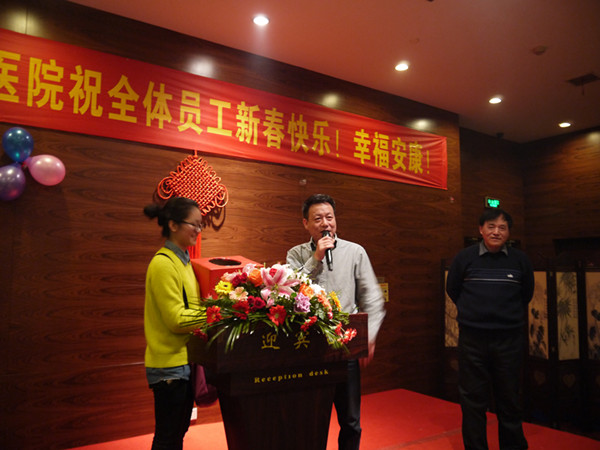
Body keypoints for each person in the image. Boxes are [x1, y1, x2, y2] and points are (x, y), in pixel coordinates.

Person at [287, 193, 386, 450]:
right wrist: (316, 258)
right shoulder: (296, 254)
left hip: (345, 346)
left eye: (329, 217)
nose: (325, 223)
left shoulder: (355, 252)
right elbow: (290, 291)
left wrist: (368, 337)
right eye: (318, 218)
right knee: (310, 419)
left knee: (351, 420)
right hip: (309, 347)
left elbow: (372, 297)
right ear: (305, 223)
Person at [446, 208, 534, 450]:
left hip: (509, 340)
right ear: (481, 230)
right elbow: (453, 289)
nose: (496, 232)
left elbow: (526, 294)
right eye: (491, 226)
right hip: (472, 339)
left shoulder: (520, 260)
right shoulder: (465, 258)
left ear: (509, 232)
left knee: (509, 398)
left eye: (502, 227)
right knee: (472, 400)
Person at [143, 196, 204, 450]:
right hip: (169, 366)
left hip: (183, 363)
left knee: (177, 433)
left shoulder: (184, 262)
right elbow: (176, 319)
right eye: (194, 224)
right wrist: (215, 314)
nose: (198, 230)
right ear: (173, 225)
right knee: (168, 437)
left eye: (201, 225)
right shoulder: (163, 264)